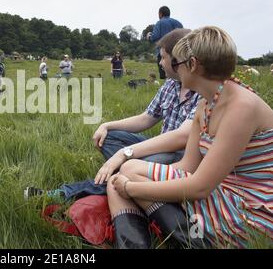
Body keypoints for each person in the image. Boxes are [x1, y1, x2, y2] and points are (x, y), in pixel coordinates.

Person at [109, 26, 273, 249]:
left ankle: (193, 242)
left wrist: (132, 189)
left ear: (193, 65)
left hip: (249, 211)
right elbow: (188, 166)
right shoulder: (205, 105)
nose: (172, 70)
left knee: (127, 180)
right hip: (221, 193)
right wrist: (140, 177)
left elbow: (199, 188)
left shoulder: (242, 107)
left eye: (175, 63)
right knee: (125, 173)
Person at [25, 29, 201, 201]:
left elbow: (182, 137)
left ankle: (61, 195)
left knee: (127, 168)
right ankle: (129, 173)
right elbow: (146, 118)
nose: (160, 63)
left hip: (179, 158)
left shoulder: (202, 90)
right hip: (159, 148)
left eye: (163, 57)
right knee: (108, 137)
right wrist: (107, 125)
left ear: (177, 59)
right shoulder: (170, 85)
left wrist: (125, 153)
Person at [148, 6, 183, 80]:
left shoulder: (160, 23)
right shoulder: (178, 23)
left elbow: (154, 37)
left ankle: (168, 89)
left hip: (164, 53)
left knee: (166, 75)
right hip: (178, 53)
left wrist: (149, 36)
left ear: (160, 14)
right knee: (178, 74)